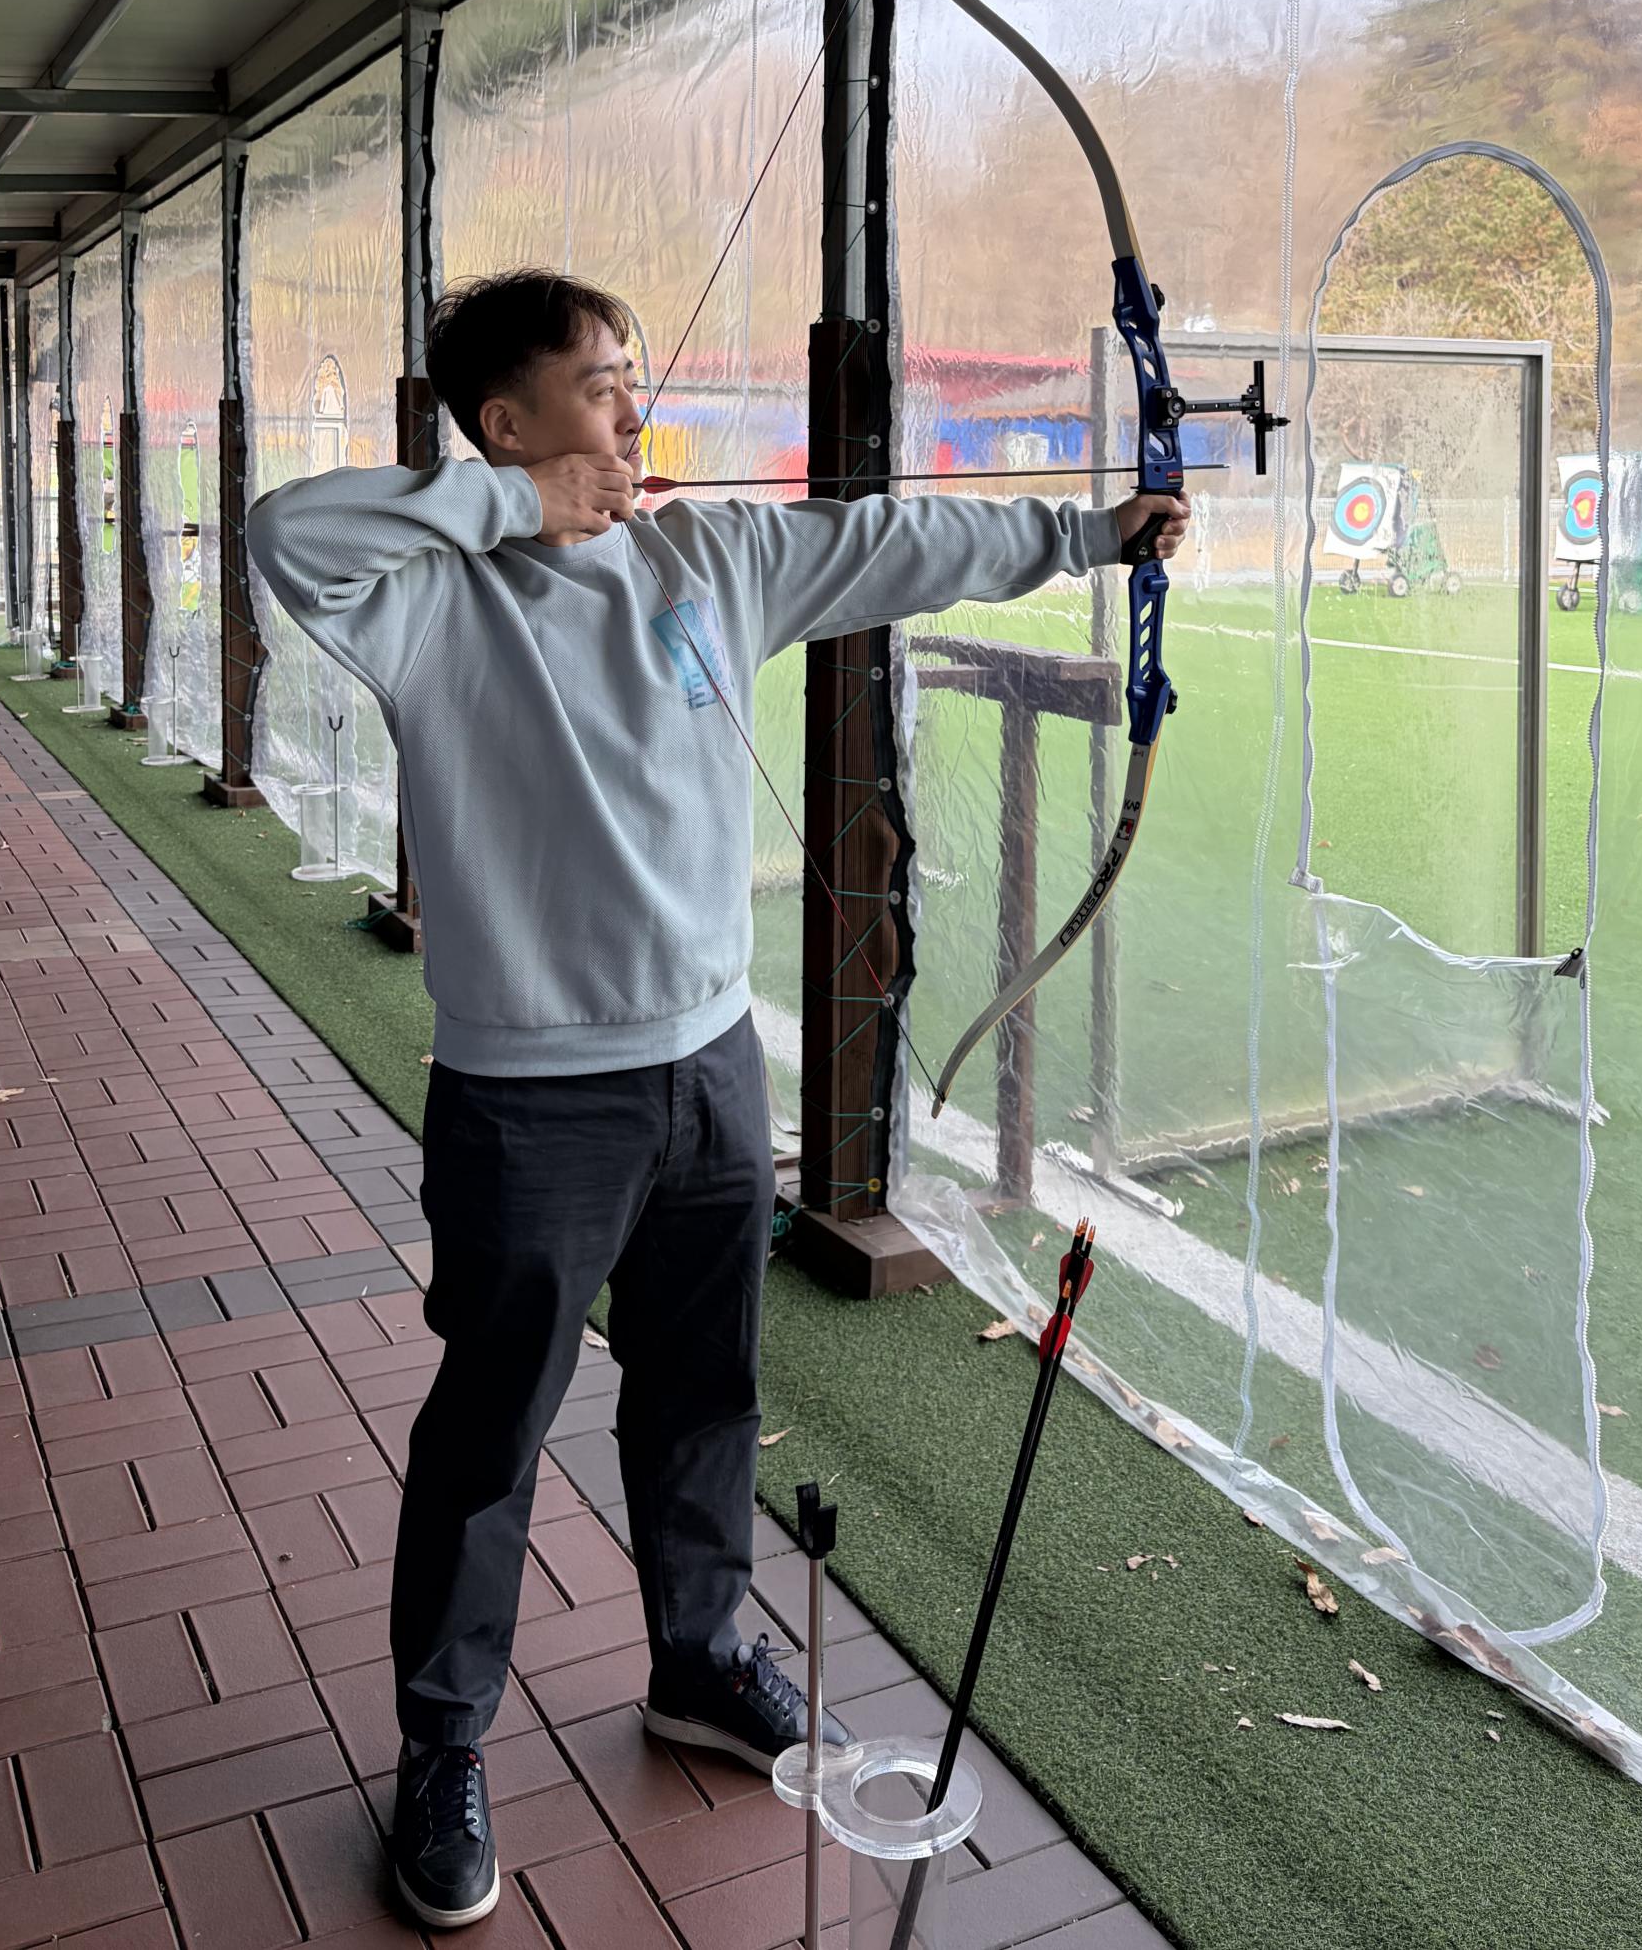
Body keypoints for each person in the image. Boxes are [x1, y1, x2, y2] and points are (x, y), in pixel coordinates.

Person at [246, 269, 1190, 1927]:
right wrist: (513, 508)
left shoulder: (709, 559)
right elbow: (286, 534)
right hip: (530, 1098)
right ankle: (444, 1743)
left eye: (634, 376)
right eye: (598, 386)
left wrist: (1090, 534)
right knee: (491, 1430)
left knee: (705, 1393)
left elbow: (894, 542)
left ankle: (698, 1656)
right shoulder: (430, 601)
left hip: (706, 1069)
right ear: (507, 423)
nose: (634, 409)